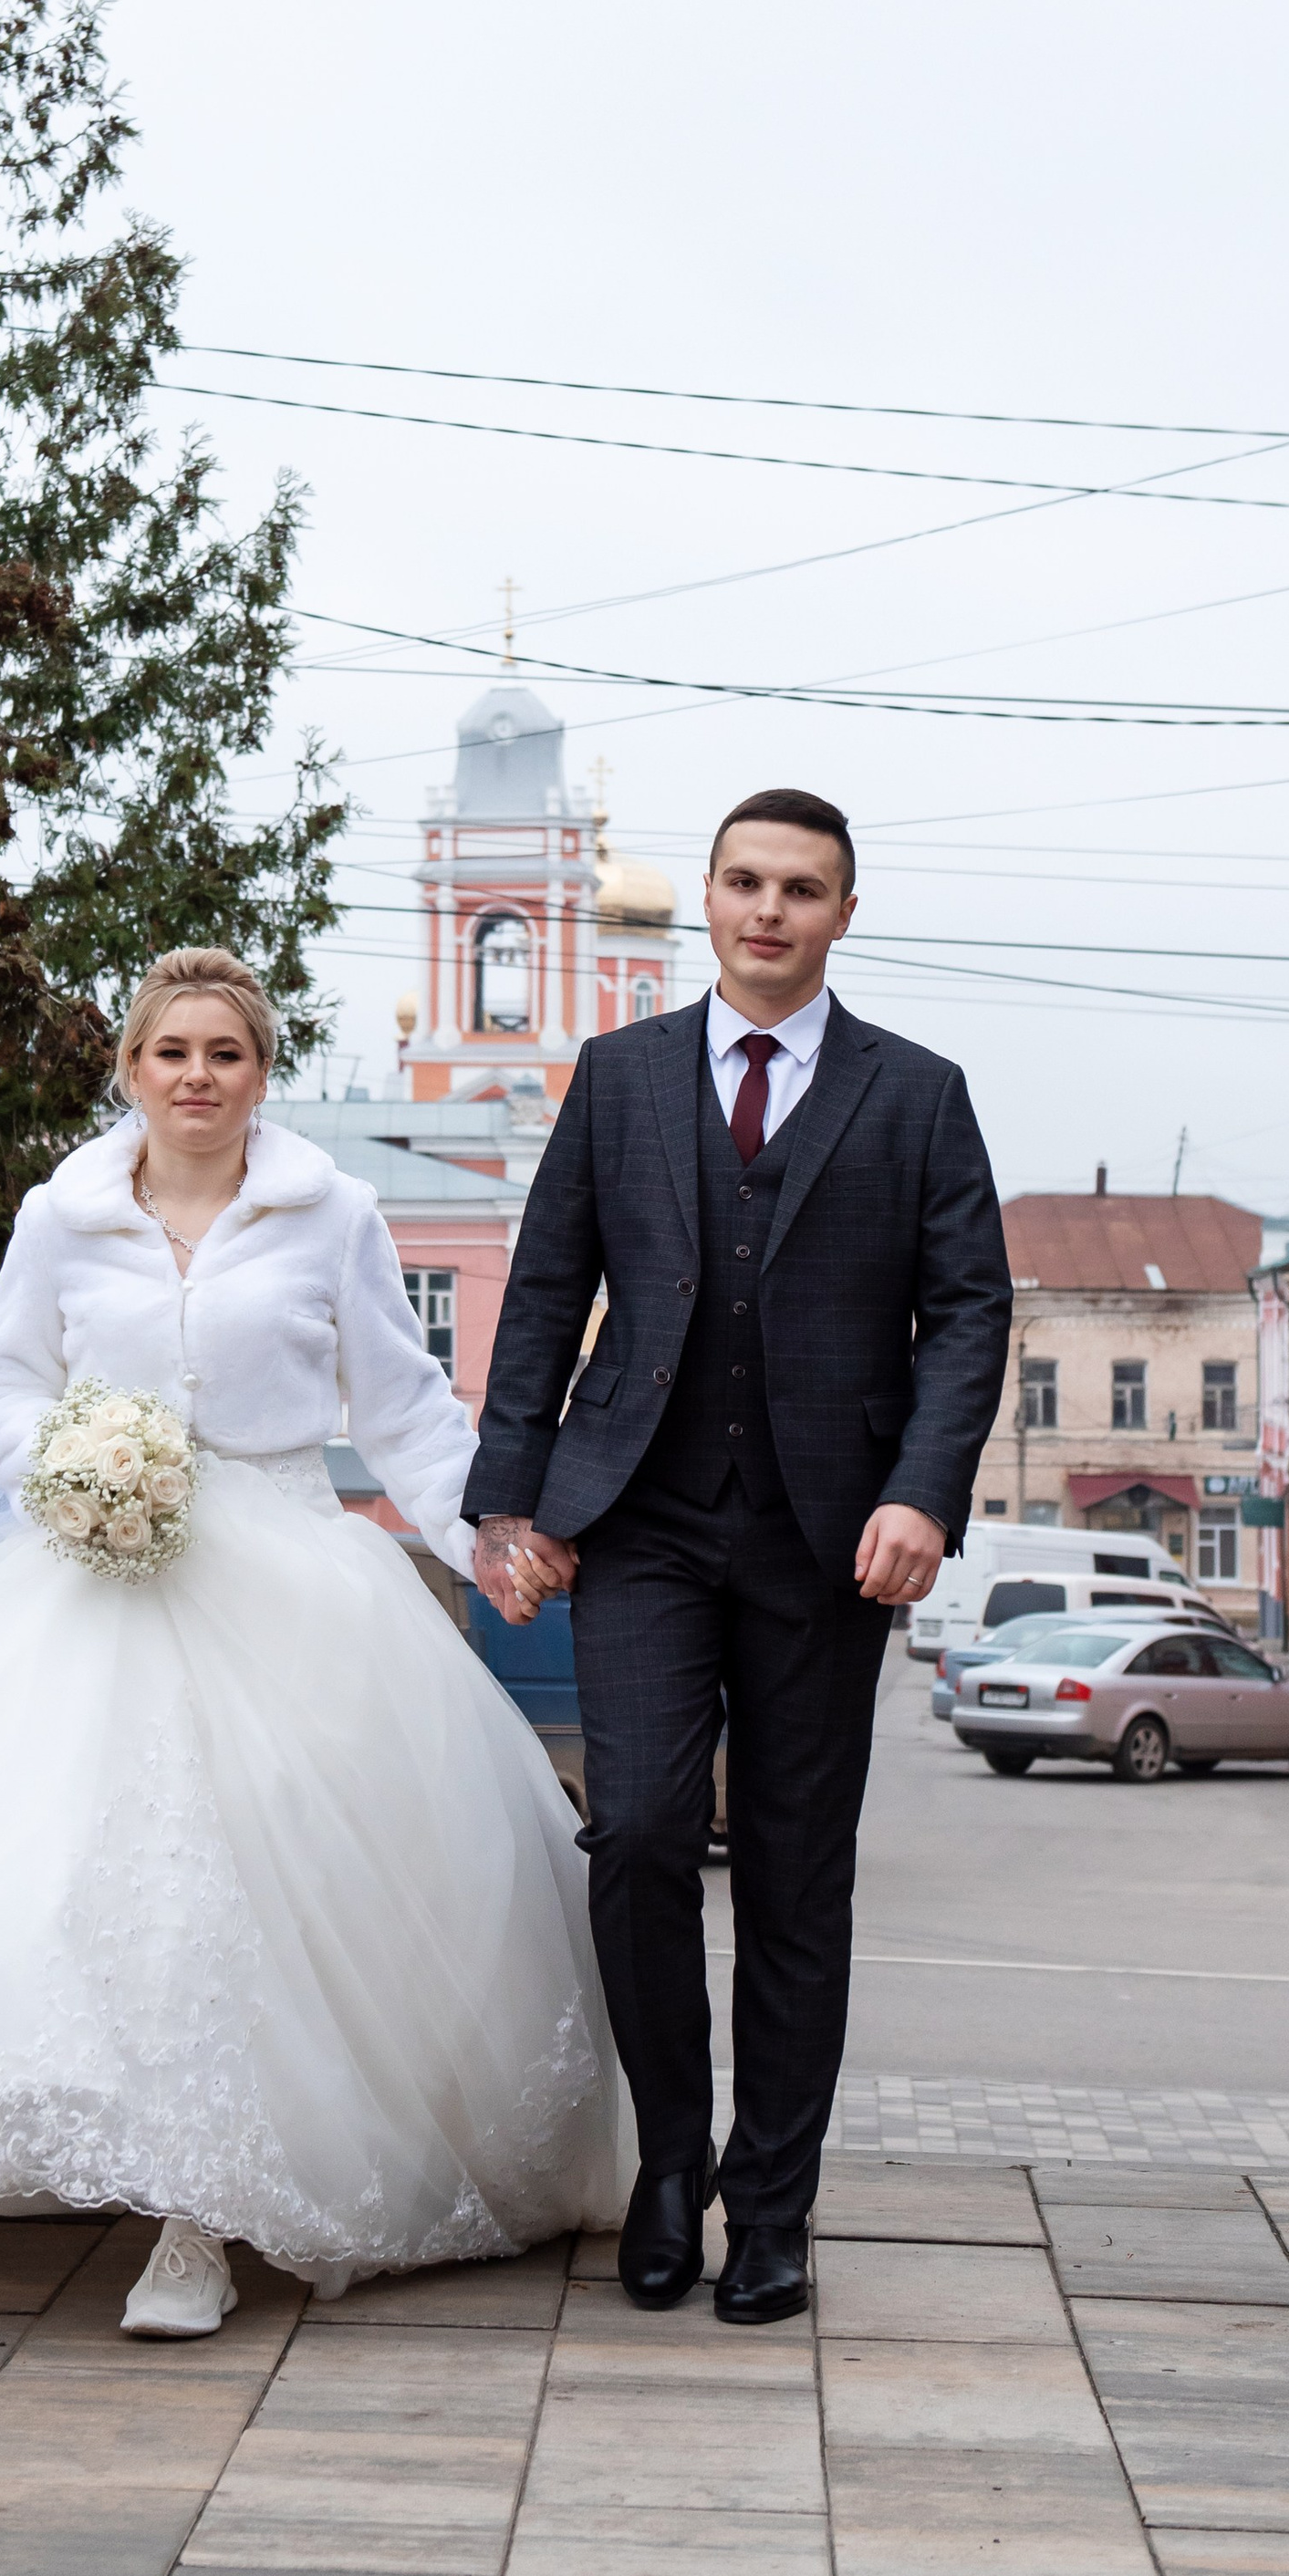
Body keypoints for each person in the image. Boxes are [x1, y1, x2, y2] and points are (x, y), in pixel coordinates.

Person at [0, 944, 630, 2336]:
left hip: (281, 1573)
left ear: (262, 1072)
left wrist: (483, 1541)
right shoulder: (63, 1213)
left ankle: (198, 2223)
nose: (198, 1077)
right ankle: (65, 2129)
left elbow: (400, 1405)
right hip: (84, 1584)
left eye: (226, 1053)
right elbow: (5, 1382)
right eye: (174, 1052)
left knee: (239, 1892)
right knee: (26, 1869)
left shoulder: (327, 1210)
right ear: (132, 1068)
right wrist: (67, 1473)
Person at [465, 789, 1010, 2324]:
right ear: (706, 898)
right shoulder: (621, 1076)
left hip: (833, 1540)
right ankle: (666, 2163)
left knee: (791, 1875)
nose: (770, 909)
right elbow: (546, 1284)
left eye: (804, 889)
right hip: (639, 1516)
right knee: (635, 1833)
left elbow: (970, 1313)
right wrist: (512, 1498)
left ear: (845, 911)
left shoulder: (918, 1093)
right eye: (746, 881)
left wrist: (925, 1491)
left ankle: (774, 2205)